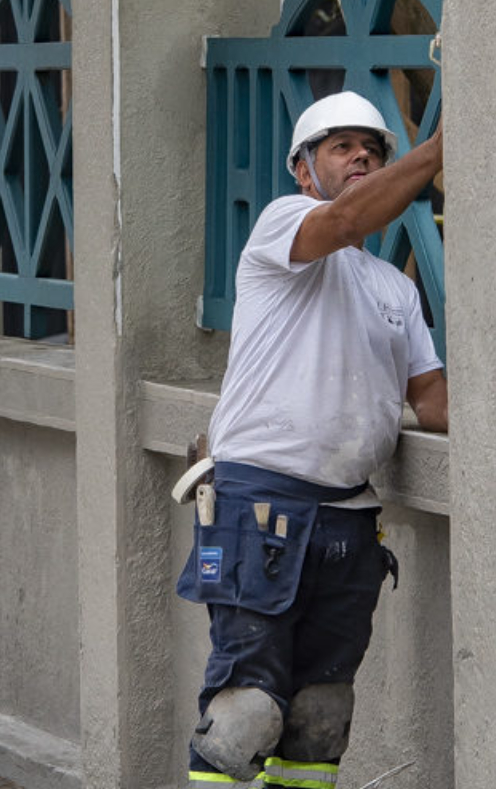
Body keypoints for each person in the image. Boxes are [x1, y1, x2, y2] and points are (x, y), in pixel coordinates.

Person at [177, 90, 448, 788]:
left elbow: (434, 401)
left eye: (373, 146)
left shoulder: (393, 288)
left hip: (349, 520)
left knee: (319, 718)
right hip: (259, 505)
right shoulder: (284, 225)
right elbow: (349, 217)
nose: (362, 154)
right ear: (303, 170)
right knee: (245, 714)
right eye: (341, 145)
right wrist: (441, 149)